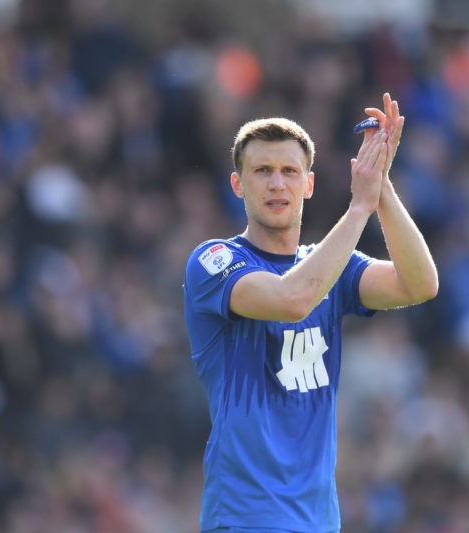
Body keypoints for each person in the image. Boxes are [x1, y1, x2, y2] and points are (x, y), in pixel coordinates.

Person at [183, 93, 438, 533]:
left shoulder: (330, 264)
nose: (277, 184)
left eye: (289, 172)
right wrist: (359, 206)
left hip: (318, 520)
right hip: (247, 518)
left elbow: (419, 284)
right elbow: (292, 300)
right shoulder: (215, 260)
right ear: (238, 184)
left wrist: (382, 191)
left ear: (309, 184)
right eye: (262, 171)